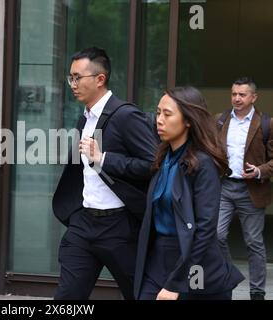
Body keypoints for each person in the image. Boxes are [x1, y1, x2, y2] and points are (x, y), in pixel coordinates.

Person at [52, 47, 157, 300]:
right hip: (84, 224)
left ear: (100, 79)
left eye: (78, 77)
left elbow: (154, 163)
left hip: (119, 227)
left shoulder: (125, 116)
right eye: (71, 77)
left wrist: (104, 159)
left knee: (140, 294)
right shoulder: (85, 118)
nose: (73, 84)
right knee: (67, 298)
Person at [134, 86, 244, 300]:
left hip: (195, 262)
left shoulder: (202, 164)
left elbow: (205, 229)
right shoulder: (163, 157)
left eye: (167, 114)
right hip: (158, 257)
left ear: (188, 120)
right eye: (158, 113)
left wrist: (177, 283)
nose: (159, 120)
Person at [216, 77, 273, 300]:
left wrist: (259, 170)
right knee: (216, 235)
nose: (237, 98)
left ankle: (257, 292)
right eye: (234, 94)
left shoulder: (266, 124)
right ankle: (230, 277)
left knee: (253, 242)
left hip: (252, 190)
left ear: (253, 97)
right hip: (225, 187)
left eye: (242, 94)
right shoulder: (220, 120)